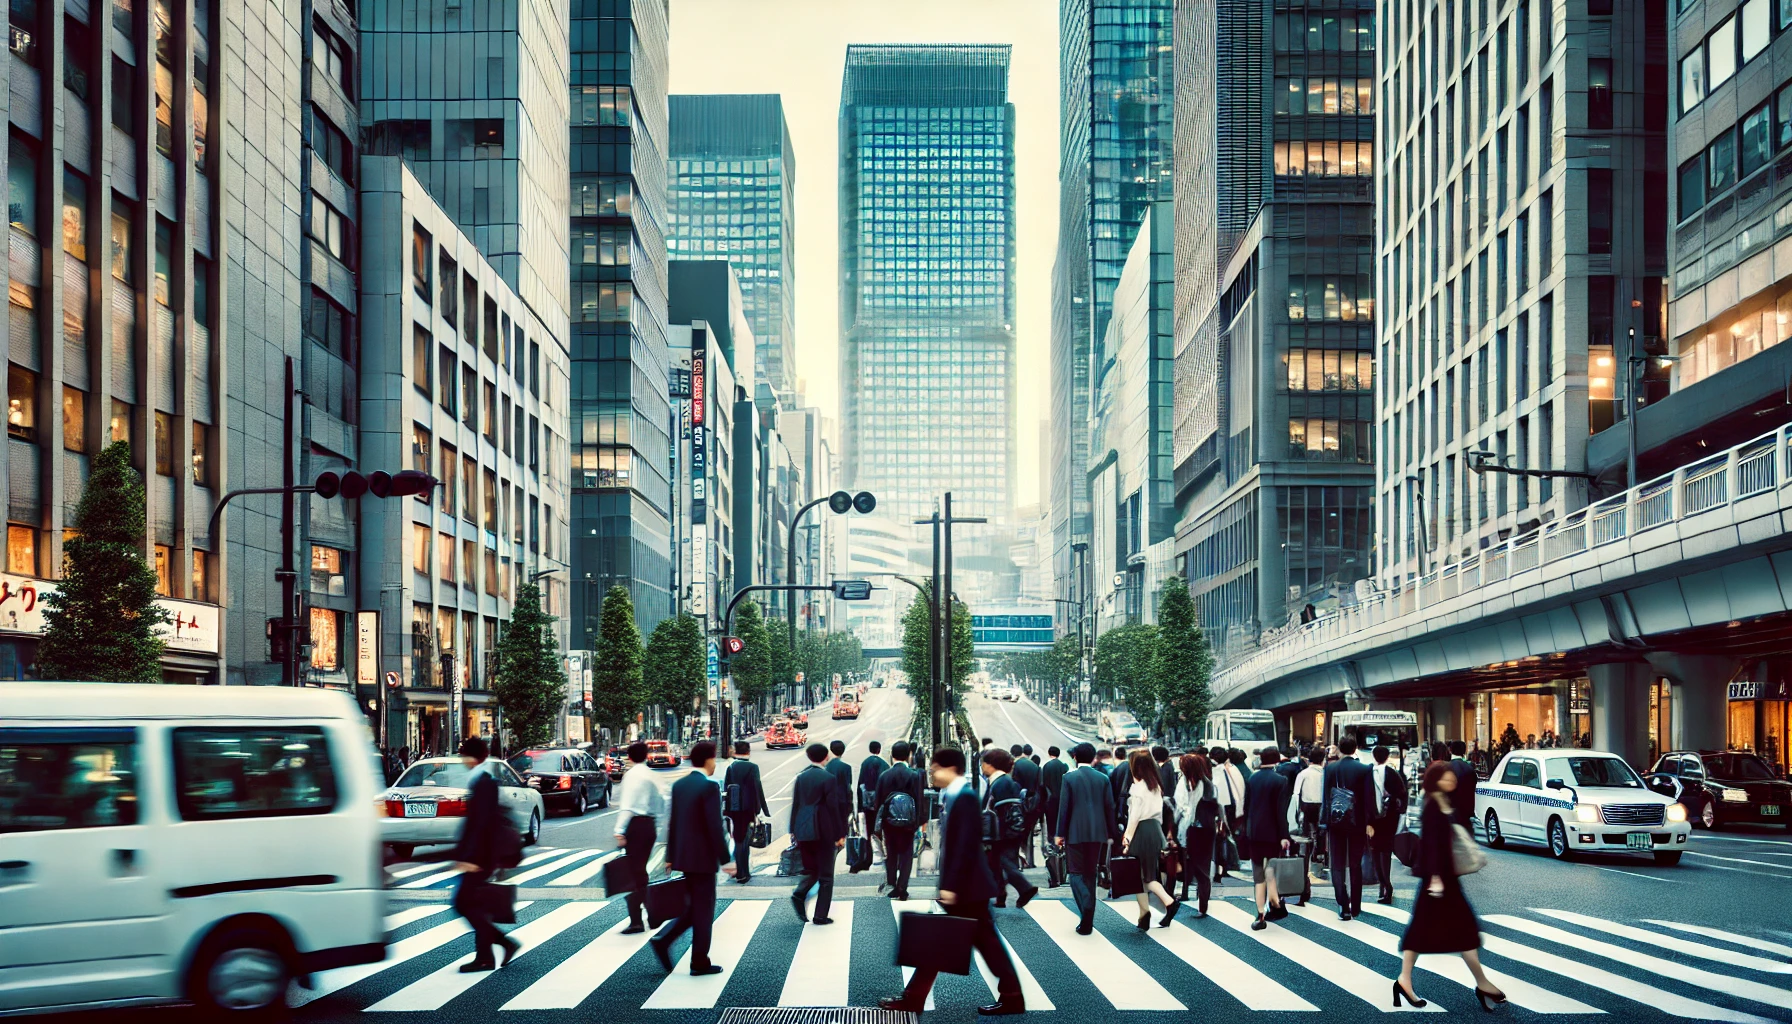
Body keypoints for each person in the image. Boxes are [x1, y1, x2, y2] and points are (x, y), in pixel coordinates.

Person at [881, 747, 1024, 1016]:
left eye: (934, 767)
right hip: (967, 887)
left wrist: (950, 885)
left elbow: (964, 846)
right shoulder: (956, 795)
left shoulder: (964, 797)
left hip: (967, 888)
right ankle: (915, 997)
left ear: (949, 768)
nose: (931, 773)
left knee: (979, 945)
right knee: (942, 943)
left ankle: (1012, 997)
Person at [1394, 762, 1507, 1010]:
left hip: (1443, 879)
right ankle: (1482, 983)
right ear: (1436, 780)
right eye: (1446, 778)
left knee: (1427, 930)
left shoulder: (1444, 801)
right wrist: (1435, 876)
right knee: (1462, 930)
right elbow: (1433, 844)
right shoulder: (1434, 805)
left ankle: (1405, 980)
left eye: (1451, 778)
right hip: (1439, 880)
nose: (1451, 781)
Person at [651, 741, 735, 976]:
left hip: (684, 857)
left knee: (694, 908)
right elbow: (714, 827)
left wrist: (670, 856)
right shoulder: (709, 787)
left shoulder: (680, 785)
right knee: (704, 910)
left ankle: (664, 940)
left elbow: (673, 822)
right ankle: (698, 961)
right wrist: (725, 859)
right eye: (714, 759)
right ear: (709, 760)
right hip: (704, 859)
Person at [449, 736, 518, 972]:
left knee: (462, 903)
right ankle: (486, 956)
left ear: (474, 757)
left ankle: (503, 944)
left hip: (480, 856)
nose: (462, 760)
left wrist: (470, 858)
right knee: (474, 904)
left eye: (465, 755)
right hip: (480, 854)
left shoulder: (484, 782)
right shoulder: (481, 779)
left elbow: (481, 824)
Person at [1053, 742, 1116, 934]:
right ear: (1093, 758)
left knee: (1075, 873)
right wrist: (1113, 834)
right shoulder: (1103, 778)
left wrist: (1059, 833)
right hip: (1098, 832)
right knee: (1091, 872)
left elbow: (1064, 808)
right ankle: (1087, 920)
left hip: (1075, 832)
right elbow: (1109, 808)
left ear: (1075, 758)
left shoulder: (1069, 778)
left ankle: (1086, 905)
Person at [1121, 750, 1180, 929]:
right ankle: (1144, 914)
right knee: (1146, 873)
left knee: (1142, 876)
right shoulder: (1154, 786)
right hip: (1154, 828)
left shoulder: (1137, 788)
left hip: (1142, 829)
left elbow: (1134, 816)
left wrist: (1127, 837)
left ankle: (1165, 904)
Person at [790, 743, 847, 924]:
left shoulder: (801, 777)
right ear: (826, 757)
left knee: (812, 869)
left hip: (803, 829)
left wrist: (793, 830)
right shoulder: (828, 778)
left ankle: (800, 894)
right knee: (826, 876)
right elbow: (833, 807)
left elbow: (796, 804)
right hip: (823, 829)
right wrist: (840, 833)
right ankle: (820, 915)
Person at [613, 741, 667, 934]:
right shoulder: (652, 775)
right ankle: (651, 914)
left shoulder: (632, 775)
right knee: (640, 872)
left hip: (635, 825)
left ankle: (638, 919)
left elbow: (627, 805)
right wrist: (658, 823)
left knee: (633, 874)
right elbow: (664, 800)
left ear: (629, 756)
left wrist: (619, 830)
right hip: (649, 826)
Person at [1321, 736, 1375, 920]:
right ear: (1356, 748)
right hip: (1357, 821)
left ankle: (1342, 904)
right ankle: (1356, 906)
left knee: (1337, 863)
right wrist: (1370, 822)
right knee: (1355, 863)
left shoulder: (1330, 768)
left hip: (1335, 821)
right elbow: (1369, 797)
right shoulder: (1364, 769)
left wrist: (1325, 820)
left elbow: (1326, 798)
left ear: (1340, 749)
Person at [1241, 747, 1292, 930]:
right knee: (1271, 868)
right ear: (1277, 760)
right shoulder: (1281, 781)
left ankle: (1260, 913)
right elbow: (1281, 812)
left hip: (1254, 831)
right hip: (1273, 833)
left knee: (1257, 873)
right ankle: (1275, 902)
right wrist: (1284, 835)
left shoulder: (1252, 778)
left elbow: (1246, 807)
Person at [981, 748, 1040, 909]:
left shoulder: (1002, 783)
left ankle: (1025, 888)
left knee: (1004, 862)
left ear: (991, 765)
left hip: (1005, 832)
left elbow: (1004, 810)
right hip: (1004, 831)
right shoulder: (1001, 781)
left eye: (983, 763)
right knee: (996, 862)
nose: (982, 767)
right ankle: (1001, 895)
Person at [875, 741, 925, 899]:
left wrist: (879, 824)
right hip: (908, 824)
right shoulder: (914, 775)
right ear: (908, 755)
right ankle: (902, 887)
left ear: (892, 756)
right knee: (906, 855)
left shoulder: (884, 776)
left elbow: (878, 802)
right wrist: (917, 823)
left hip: (889, 823)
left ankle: (892, 883)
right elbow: (919, 800)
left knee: (891, 853)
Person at [1171, 753, 1218, 917]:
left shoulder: (1184, 784)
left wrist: (1174, 825)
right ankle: (1200, 903)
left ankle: (1193, 900)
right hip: (1205, 830)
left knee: (1192, 864)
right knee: (1199, 867)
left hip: (1192, 830)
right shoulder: (1209, 784)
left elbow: (1180, 808)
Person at [721, 741, 769, 883]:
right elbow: (756, 789)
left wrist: (728, 811)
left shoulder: (731, 767)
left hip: (734, 810)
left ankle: (739, 870)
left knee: (738, 839)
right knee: (744, 841)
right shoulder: (752, 767)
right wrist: (758, 811)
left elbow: (726, 788)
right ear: (748, 751)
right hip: (747, 809)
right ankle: (743, 873)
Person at [1367, 745, 1404, 904]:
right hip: (1390, 818)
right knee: (1386, 851)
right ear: (1387, 756)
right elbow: (1402, 795)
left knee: (1375, 849)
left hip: (1373, 820)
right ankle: (1385, 885)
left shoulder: (1368, 773)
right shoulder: (1393, 773)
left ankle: (1383, 884)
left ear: (1373, 756)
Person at [1009, 743, 1044, 867]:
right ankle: (1030, 861)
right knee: (1029, 833)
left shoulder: (1015, 766)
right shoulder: (1035, 766)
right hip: (1034, 803)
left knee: (1019, 833)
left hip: (1020, 804)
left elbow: (1015, 785)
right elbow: (1040, 786)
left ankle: (1021, 860)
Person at [859, 741, 890, 861]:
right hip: (880, 803)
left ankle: (869, 855)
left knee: (869, 829)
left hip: (867, 803)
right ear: (879, 749)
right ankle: (883, 853)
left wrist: (861, 805)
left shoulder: (864, 763)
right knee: (881, 827)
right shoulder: (884, 764)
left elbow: (860, 784)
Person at [1288, 747, 1326, 842]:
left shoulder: (1303, 774)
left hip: (1306, 805)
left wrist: (1296, 811)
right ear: (1323, 760)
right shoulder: (1325, 773)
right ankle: (1320, 851)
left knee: (1306, 834)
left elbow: (1296, 793)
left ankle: (1306, 852)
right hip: (1322, 805)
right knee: (1321, 833)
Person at [1447, 740, 1479, 832]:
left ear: (1450, 750)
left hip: (1450, 815)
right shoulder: (1470, 769)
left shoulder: (1446, 768)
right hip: (1466, 815)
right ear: (1464, 752)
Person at [827, 739, 855, 830]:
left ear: (831, 750)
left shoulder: (826, 766)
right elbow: (848, 786)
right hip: (842, 801)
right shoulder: (846, 767)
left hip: (828, 802)